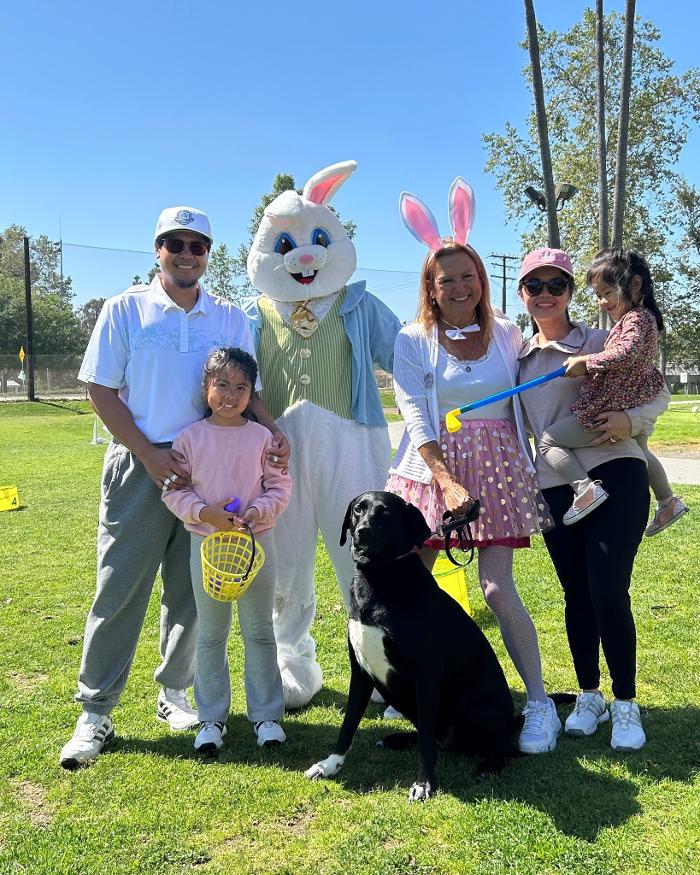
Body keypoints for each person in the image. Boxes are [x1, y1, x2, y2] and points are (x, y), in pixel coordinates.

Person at [60, 207, 289, 769]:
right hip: (142, 463)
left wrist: (272, 429)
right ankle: (95, 710)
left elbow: (246, 389)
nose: (187, 254)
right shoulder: (125, 308)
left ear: (208, 254)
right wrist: (148, 453)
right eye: (175, 244)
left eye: (197, 245)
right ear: (158, 249)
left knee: (191, 595)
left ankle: (175, 693)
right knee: (120, 589)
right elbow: (101, 390)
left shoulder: (231, 317)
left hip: (209, 472)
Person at [387, 191, 561, 754]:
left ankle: (537, 704)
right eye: (446, 280)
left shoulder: (510, 332)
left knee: (495, 588)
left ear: (482, 280)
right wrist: (444, 479)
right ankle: (416, 697)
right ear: (430, 288)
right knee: (411, 585)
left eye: (468, 276)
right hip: (432, 470)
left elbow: (553, 359)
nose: (459, 287)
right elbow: (414, 409)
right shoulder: (414, 340)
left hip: (499, 470)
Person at [516, 246, 670, 751]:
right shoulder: (515, 358)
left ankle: (625, 703)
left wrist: (634, 421)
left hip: (616, 473)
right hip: (554, 484)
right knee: (576, 596)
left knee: (608, 591)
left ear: (569, 292)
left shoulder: (605, 339)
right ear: (522, 294)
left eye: (555, 285)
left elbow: (657, 390)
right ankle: (589, 696)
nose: (545, 295)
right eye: (534, 286)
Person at [162, 347, 291, 752]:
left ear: (252, 394)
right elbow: (174, 491)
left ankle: (267, 716)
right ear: (206, 388)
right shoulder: (189, 439)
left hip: (256, 546)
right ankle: (211, 719)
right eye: (222, 385)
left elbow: (279, 487)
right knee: (211, 634)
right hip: (206, 547)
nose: (230, 395)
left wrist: (257, 511)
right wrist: (204, 513)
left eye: (241, 387)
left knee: (259, 631)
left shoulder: (263, 438)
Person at [535, 248, 688, 531]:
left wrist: (587, 362)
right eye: (597, 295)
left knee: (548, 441)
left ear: (635, 284)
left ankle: (584, 489)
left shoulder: (637, 319)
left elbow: (626, 353)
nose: (601, 302)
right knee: (642, 451)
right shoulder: (638, 319)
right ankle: (668, 502)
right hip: (624, 402)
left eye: (606, 293)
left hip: (610, 408)